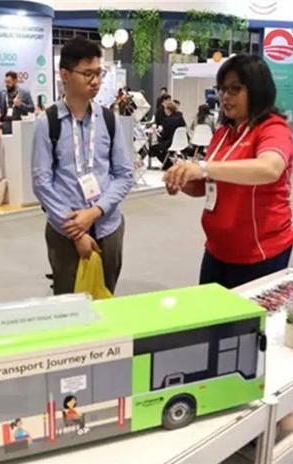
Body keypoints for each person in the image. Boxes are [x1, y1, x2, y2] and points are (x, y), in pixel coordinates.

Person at [164, 54, 293, 289]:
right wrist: (181, 180)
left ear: (256, 90)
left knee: (247, 314)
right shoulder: (223, 132)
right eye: (222, 89)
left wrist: (202, 167)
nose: (225, 96)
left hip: (259, 253)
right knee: (210, 311)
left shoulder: (273, 128)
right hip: (217, 249)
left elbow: (270, 168)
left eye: (235, 89)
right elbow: (207, 186)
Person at [32, 37, 133, 295]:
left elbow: (124, 174)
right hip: (64, 231)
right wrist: (76, 232)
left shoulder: (108, 119)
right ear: (65, 75)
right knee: (69, 304)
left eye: (98, 73)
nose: (95, 81)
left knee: (106, 297)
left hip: (108, 226)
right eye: (87, 74)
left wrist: (95, 211)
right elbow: (42, 183)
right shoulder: (48, 122)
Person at [151, 100, 187, 169]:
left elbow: (165, 135)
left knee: (153, 149)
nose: (164, 111)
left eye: (165, 109)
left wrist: (159, 134)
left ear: (168, 110)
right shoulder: (180, 118)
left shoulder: (167, 120)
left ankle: (168, 164)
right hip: (182, 142)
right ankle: (169, 163)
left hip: (171, 142)